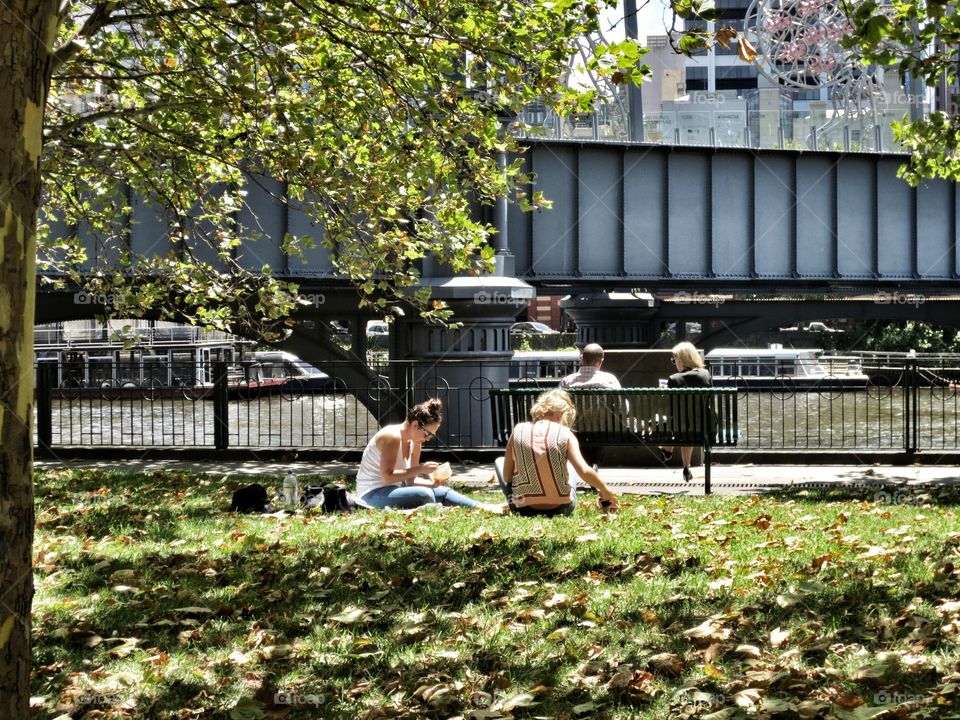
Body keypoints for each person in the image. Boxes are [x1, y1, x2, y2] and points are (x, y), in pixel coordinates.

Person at [356, 398, 505, 512]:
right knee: (424, 494)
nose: (427, 439)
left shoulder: (416, 443)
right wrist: (421, 469)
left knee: (442, 491)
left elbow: (410, 482)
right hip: (370, 494)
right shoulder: (392, 436)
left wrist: (432, 483)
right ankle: (436, 509)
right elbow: (387, 477)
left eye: (430, 436)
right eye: (427, 434)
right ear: (415, 425)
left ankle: (483, 507)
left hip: (391, 491)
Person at [496, 389, 620, 515]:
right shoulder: (566, 434)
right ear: (560, 415)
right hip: (561, 508)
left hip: (523, 509)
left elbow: (507, 477)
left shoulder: (518, 429)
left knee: (499, 461)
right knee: (570, 463)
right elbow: (584, 471)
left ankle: (516, 499)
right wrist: (606, 492)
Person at [658, 341, 712, 483]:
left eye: (674, 359)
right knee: (689, 422)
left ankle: (667, 448)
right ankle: (685, 466)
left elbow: (669, 408)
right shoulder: (705, 374)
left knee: (679, 421)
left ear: (680, 359)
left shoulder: (674, 379)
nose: (674, 362)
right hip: (704, 428)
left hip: (681, 429)